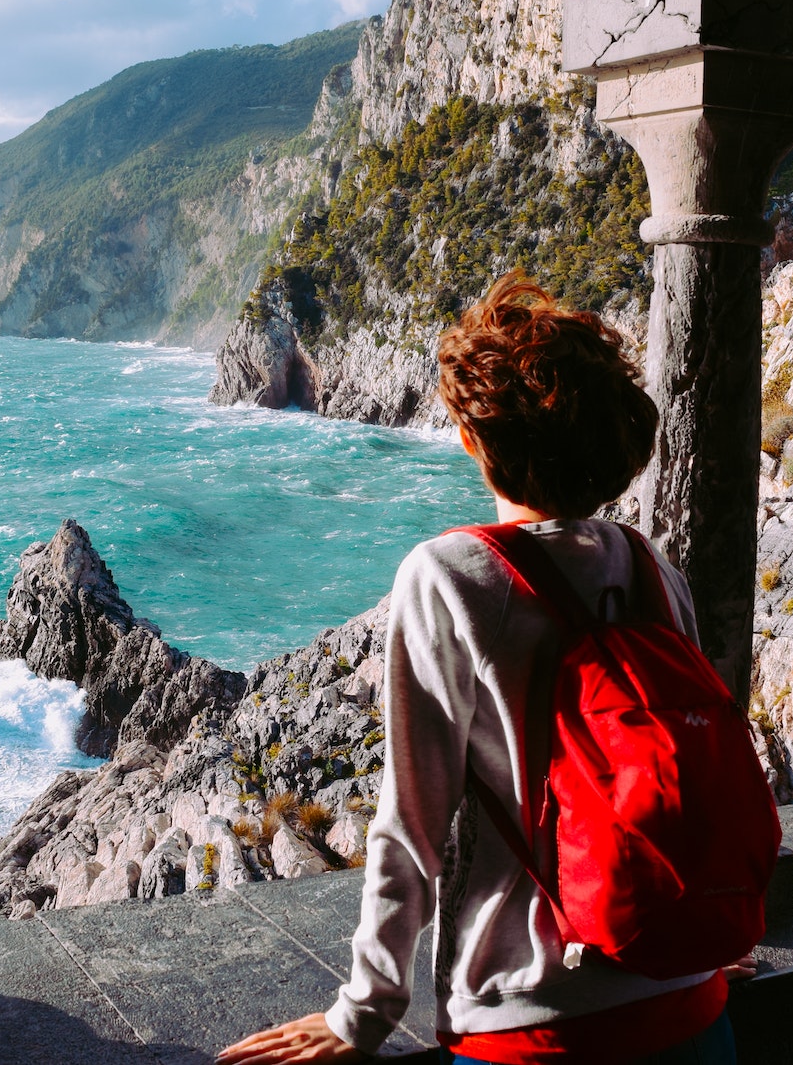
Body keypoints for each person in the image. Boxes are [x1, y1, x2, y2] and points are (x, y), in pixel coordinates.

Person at [217, 272, 749, 1065]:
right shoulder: (651, 568)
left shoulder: (449, 575)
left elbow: (409, 825)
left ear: (474, 438)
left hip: (535, 1021)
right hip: (693, 1004)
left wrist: (361, 1013)